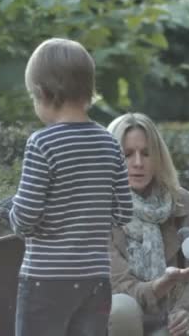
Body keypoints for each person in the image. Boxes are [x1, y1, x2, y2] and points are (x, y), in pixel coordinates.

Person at [9, 38, 134, 336]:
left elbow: (24, 220)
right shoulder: (109, 143)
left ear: (43, 93)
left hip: (45, 280)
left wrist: (7, 212)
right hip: (96, 279)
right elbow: (123, 213)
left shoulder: (42, 143)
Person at [106, 113, 189, 336]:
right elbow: (116, 285)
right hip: (122, 319)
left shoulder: (181, 202)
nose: (138, 163)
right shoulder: (101, 208)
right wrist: (157, 287)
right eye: (127, 154)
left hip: (172, 314)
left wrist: (187, 314)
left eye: (146, 153)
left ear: (158, 158)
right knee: (121, 310)